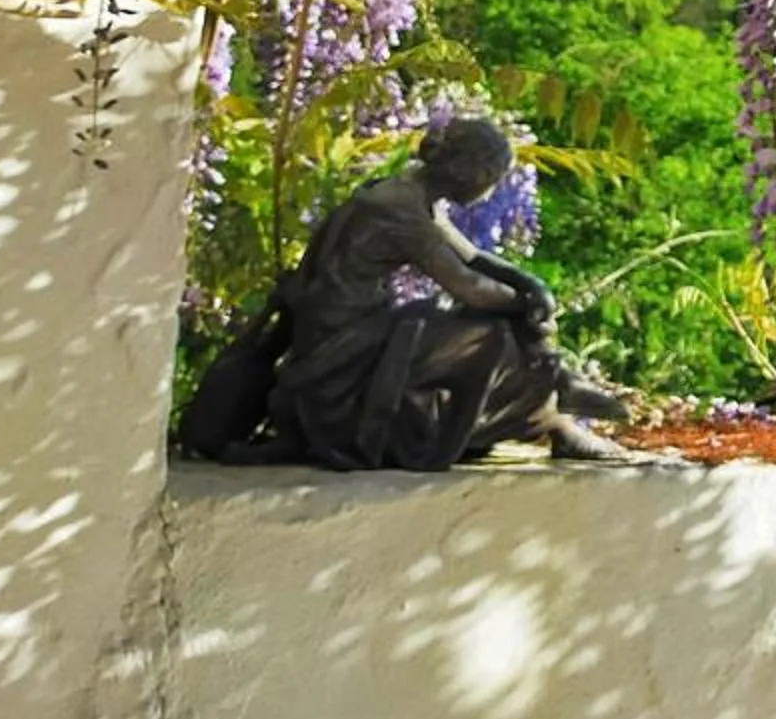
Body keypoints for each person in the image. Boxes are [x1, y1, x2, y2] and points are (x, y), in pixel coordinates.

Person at [255, 115, 641, 468]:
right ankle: (556, 411)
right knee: (488, 338)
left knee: (469, 321)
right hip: (341, 349)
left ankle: (557, 396)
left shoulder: (411, 193)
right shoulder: (401, 211)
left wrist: (530, 285)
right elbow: (468, 286)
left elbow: (471, 256)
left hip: (357, 328)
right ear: (467, 170)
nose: (490, 193)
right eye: (491, 177)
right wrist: (524, 308)